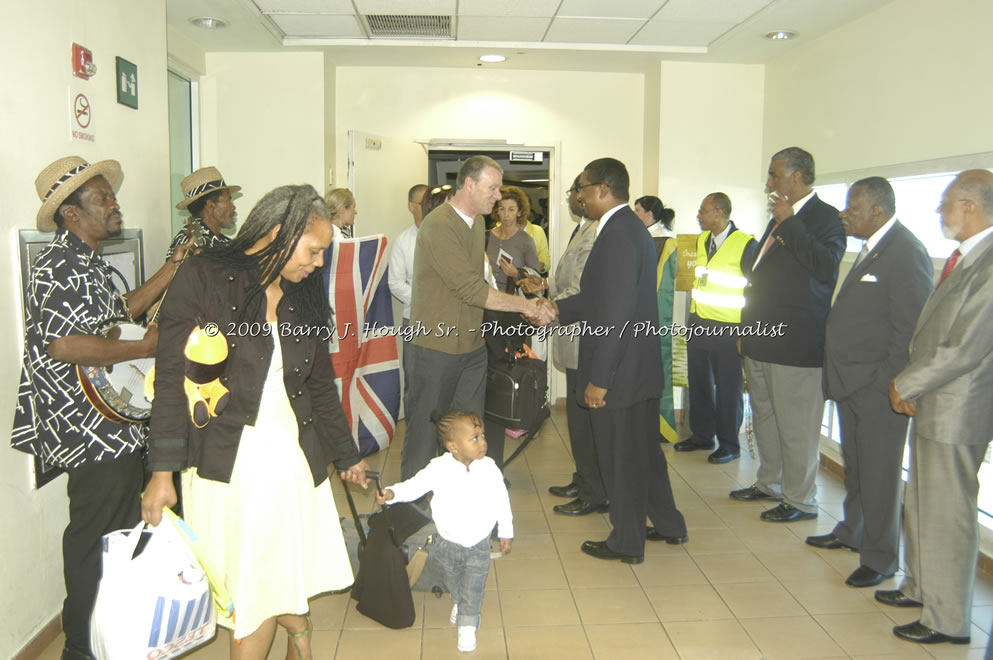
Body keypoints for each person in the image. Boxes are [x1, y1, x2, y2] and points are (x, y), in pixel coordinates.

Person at [141, 184, 371, 660]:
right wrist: (161, 472)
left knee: (271, 580)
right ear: (276, 235)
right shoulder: (203, 277)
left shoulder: (302, 291)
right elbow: (170, 381)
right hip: (229, 460)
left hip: (291, 457)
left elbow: (320, 384)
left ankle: (299, 634)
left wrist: (346, 455)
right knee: (253, 594)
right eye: (313, 249)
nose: (319, 262)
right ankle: (301, 636)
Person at [11, 155, 190, 660]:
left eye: (111, 195)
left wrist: (172, 269)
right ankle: (81, 647)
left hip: (112, 422)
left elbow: (119, 313)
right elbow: (65, 345)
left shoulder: (87, 261)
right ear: (70, 213)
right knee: (94, 536)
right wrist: (150, 346)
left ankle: (111, 635)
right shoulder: (57, 265)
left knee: (116, 532)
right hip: (86, 429)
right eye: (102, 198)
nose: (115, 204)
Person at [540, 158, 687, 563]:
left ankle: (627, 541)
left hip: (619, 374)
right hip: (637, 370)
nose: (579, 197)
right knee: (646, 456)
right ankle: (670, 525)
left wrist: (599, 379)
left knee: (621, 461)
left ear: (603, 189)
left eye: (583, 189)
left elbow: (615, 315)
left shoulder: (619, 233)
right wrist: (554, 308)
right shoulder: (623, 230)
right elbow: (596, 298)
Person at [876, 170, 993, 646]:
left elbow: (966, 347)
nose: (940, 211)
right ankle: (919, 587)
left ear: (970, 206)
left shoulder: (989, 265)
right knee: (922, 502)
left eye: (946, 203)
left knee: (947, 512)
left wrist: (907, 382)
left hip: (958, 407)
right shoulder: (967, 258)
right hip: (934, 401)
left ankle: (946, 620)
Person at [808, 177, 932, 588]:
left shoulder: (906, 252)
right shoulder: (872, 247)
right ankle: (853, 531)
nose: (845, 213)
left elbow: (909, 331)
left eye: (853, 207)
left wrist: (884, 385)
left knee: (879, 476)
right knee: (858, 470)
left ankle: (880, 559)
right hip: (851, 384)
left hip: (879, 390)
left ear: (877, 210)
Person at [401, 156, 551, 481]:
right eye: (492, 188)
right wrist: (526, 307)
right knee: (425, 437)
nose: (498, 196)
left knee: (469, 436)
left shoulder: (478, 225)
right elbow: (470, 289)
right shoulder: (439, 224)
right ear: (469, 184)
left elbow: (479, 283)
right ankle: (410, 517)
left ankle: (464, 514)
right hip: (434, 349)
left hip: (471, 349)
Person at [730, 147, 845, 523]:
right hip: (762, 336)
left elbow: (825, 267)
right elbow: (761, 275)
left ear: (796, 177)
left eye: (774, 175)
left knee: (796, 426)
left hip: (796, 342)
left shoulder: (824, 217)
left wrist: (790, 223)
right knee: (764, 416)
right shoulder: (781, 217)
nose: (769, 183)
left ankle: (800, 500)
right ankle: (770, 483)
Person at [377, 410, 512, 653]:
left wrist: (506, 530)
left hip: (479, 542)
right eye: (474, 438)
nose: (482, 442)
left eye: (482, 435)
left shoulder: (490, 468)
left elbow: (502, 500)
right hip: (446, 541)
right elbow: (415, 486)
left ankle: (468, 624)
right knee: (452, 578)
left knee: (474, 583)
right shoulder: (438, 468)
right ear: (453, 446)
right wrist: (392, 493)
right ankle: (458, 601)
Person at [522, 175, 606, 516]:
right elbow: (567, 277)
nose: (572, 197)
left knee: (585, 420)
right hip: (570, 334)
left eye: (575, 191)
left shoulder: (598, 231)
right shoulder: (583, 228)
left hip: (583, 334)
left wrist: (548, 310)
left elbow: (583, 289)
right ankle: (583, 477)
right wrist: (544, 283)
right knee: (576, 416)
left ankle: (595, 490)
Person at [675, 193, 756, 464]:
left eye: (703, 211)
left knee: (728, 386)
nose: (699, 215)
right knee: (698, 382)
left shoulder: (745, 244)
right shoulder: (701, 240)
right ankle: (702, 435)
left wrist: (746, 330)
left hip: (729, 327)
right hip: (699, 323)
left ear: (719, 213)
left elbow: (756, 291)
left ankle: (729, 443)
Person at [389, 183, 429, 408]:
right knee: (414, 380)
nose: (429, 207)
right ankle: (415, 432)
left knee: (443, 379)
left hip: (447, 321)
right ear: (411, 207)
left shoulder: (449, 237)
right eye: (423, 203)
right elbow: (395, 283)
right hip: (414, 319)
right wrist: (424, 299)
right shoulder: (404, 241)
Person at [166, 165, 240, 261]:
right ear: (210, 204)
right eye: (228, 200)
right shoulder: (187, 244)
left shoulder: (225, 243)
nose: (233, 206)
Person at [487, 185, 541, 292]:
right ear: (497, 210)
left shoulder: (526, 241)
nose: (506, 215)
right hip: (487, 298)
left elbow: (536, 280)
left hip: (512, 301)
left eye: (511, 210)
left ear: (519, 212)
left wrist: (516, 273)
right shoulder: (486, 237)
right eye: (502, 209)